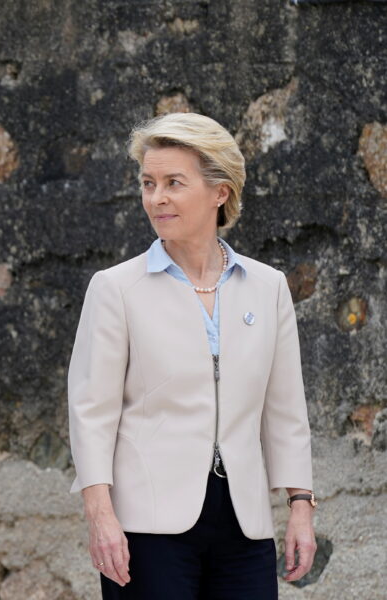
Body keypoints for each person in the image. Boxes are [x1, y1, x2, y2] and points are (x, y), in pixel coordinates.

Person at [67, 111, 317, 599]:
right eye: (148, 183)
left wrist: (301, 506)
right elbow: (91, 412)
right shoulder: (116, 288)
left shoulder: (267, 287)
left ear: (219, 192)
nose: (156, 198)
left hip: (244, 526)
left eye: (173, 183)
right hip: (147, 527)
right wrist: (100, 516)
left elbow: (286, 410)